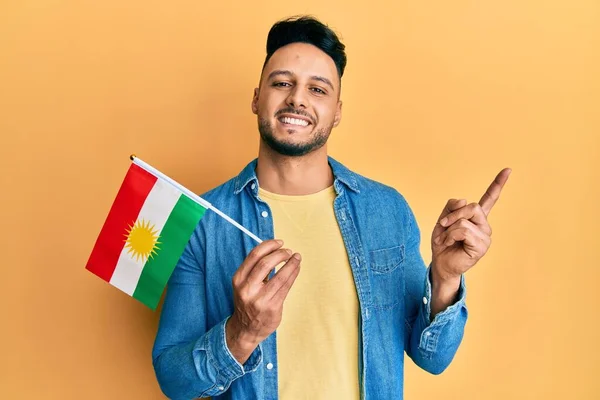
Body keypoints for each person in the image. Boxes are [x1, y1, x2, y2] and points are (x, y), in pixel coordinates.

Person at [152, 15, 510, 400]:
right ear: (257, 98)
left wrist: (445, 278)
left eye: (317, 89)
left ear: (337, 111)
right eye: (282, 82)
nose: (297, 98)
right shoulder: (201, 221)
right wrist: (242, 332)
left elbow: (433, 358)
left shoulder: (386, 211)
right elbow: (174, 380)